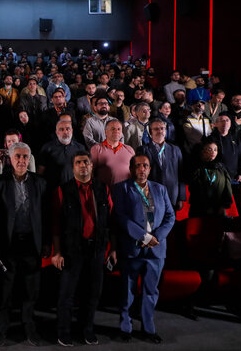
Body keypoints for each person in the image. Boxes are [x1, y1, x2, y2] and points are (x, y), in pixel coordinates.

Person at [51, 151, 115, 347]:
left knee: (93, 292)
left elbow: (110, 220)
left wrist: (112, 249)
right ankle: (64, 332)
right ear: (73, 167)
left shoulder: (103, 189)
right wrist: (57, 252)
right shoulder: (63, 190)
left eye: (86, 162)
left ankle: (87, 330)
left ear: (91, 166)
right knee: (67, 294)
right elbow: (55, 224)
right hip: (72, 250)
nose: (83, 166)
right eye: (78, 162)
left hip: (96, 249)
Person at [0, 143, 48, 347]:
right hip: (7, 245)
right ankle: (1, 329)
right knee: (5, 291)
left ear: (29, 159)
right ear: (10, 159)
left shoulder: (40, 183)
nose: (21, 160)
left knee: (31, 290)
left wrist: (46, 242)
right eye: (18, 157)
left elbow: (45, 216)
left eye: (25, 157)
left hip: (32, 243)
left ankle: (29, 327)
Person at [113, 155, 175, 344]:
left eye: (145, 166)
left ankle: (149, 328)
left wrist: (157, 237)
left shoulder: (160, 189)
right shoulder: (121, 188)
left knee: (151, 291)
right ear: (131, 169)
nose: (142, 169)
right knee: (128, 290)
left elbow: (170, 216)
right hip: (133, 248)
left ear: (149, 169)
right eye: (138, 166)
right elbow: (120, 217)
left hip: (156, 250)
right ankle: (126, 327)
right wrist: (144, 237)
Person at [137, 119, 186, 210]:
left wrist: (181, 197)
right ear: (150, 132)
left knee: (171, 223)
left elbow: (181, 174)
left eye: (162, 128)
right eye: (156, 129)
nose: (160, 131)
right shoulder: (143, 150)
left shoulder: (176, 149)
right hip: (151, 195)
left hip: (172, 196)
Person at [187, 139, 233, 217]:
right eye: (209, 149)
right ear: (202, 151)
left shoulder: (221, 169)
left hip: (219, 210)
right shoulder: (196, 169)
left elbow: (227, 190)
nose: (213, 152)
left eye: (215, 150)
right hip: (199, 210)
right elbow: (195, 190)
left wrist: (223, 206)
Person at [37, 120, 86, 190]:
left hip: (75, 190)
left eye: (67, 129)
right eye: (61, 129)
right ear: (57, 132)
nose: (65, 132)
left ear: (72, 130)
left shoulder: (80, 148)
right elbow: (40, 171)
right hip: (54, 191)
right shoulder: (47, 148)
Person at [91, 120, 135, 189]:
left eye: (119, 129)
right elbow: (91, 173)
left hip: (126, 192)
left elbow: (135, 171)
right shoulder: (96, 149)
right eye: (113, 129)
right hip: (105, 192)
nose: (116, 131)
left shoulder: (129, 150)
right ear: (106, 132)